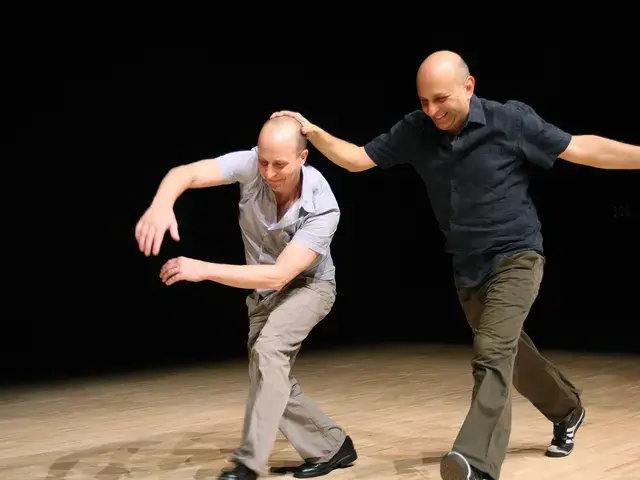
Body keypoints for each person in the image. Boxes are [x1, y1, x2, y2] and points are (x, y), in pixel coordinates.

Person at [271, 50, 640, 480]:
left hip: (517, 257)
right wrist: (313, 132)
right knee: (512, 356)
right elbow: (356, 160)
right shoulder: (416, 129)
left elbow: (582, 149)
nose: (432, 111)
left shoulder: (510, 120)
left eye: (441, 99)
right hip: (468, 268)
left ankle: (476, 463)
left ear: (469, 86)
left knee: (491, 353)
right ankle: (568, 409)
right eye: (424, 101)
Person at [134, 116, 358, 480]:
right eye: (263, 161)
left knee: (269, 354)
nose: (268, 172)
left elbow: (280, 274)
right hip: (262, 292)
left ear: (303, 157)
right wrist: (162, 203)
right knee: (267, 371)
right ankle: (331, 446)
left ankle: (249, 463)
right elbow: (185, 173)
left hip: (309, 287)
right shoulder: (253, 164)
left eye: (279, 164)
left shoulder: (323, 206)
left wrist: (202, 269)